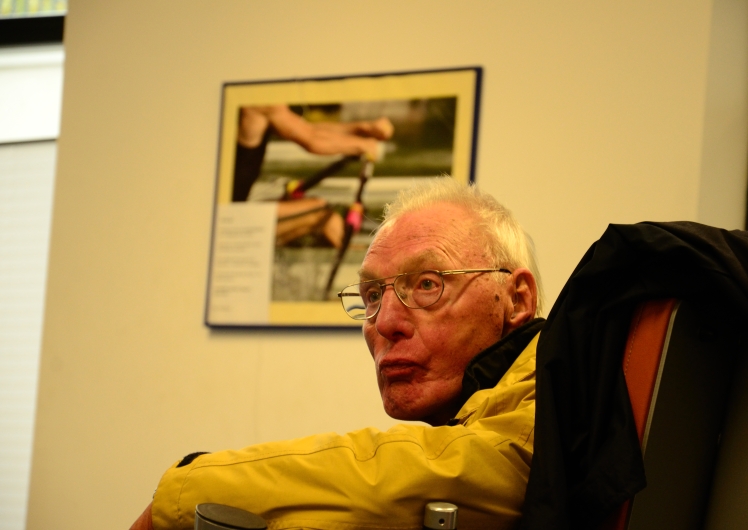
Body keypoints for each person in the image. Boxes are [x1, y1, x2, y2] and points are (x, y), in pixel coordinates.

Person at [131, 177, 546, 530]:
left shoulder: (555, 395)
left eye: (427, 284)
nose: (385, 322)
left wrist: (182, 495)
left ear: (517, 299)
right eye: (372, 295)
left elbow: (419, 473)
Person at [233, 105, 394, 249]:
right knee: (322, 213)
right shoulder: (261, 102)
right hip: (231, 217)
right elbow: (312, 139)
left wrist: (363, 129)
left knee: (316, 210)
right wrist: (361, 145)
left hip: (237, 209)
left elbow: (308, 128)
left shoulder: (256, 100)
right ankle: (360, 262)